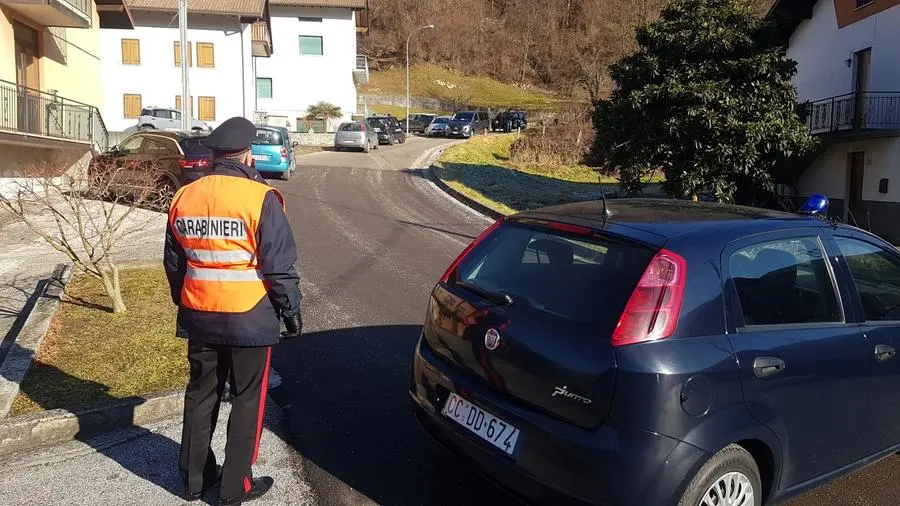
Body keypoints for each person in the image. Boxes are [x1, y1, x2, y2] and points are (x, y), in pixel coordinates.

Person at [164, 117, 303, 505]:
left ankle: (192, 482)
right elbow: (278, 265)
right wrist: (290, 309)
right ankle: (234, 488)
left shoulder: (185, 195)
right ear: (247, 154)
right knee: (247, 398)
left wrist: (186, 300)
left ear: (214, 155)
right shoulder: (260, 197)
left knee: (200, 393)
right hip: (249, 315)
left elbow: (174, 263)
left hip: (199, 312)